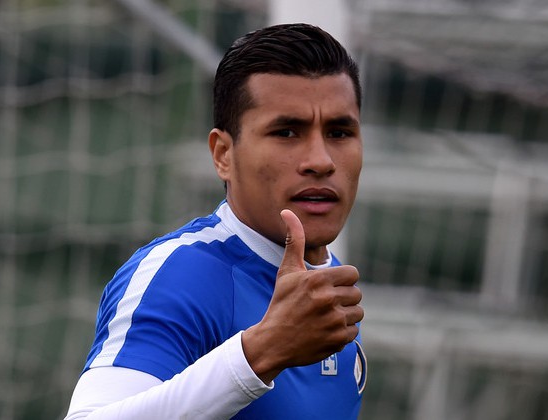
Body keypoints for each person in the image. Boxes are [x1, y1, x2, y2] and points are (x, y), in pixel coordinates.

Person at [65, 22, 366, 419]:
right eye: (287, 132)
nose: (321, 161)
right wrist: (262, 352)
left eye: (339, 132)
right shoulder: (182, 275)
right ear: (223, 154)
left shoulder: (328, 288)